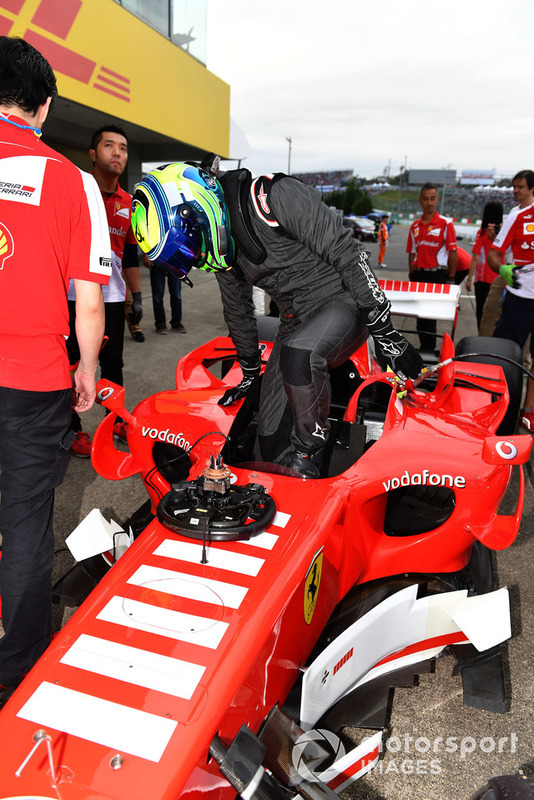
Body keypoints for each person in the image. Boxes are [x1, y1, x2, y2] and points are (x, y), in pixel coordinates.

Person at [131, 160, 423, 478]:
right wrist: (249, 371)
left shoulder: (274, 196)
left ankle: (310, 455)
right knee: (269, 438)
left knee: (300, 356)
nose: (196, 257)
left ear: (196, 209)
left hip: (345, 303)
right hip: (295, 321)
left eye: (189, 246)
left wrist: (386, 332)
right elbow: (237, 310)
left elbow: (349, 253)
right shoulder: (221, 248)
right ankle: (291, 482)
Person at [0, 36, 111, 707]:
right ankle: (17, 676)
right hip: (33, 379)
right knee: (25, 522)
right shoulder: (70, 180)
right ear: (43, 105)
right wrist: (89, 368)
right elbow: (90, 298)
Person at [67, 125, 143, 456]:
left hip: (111, 299)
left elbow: (129, 255)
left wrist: (136, 296)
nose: (117, 152)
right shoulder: (75, 190)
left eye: (123, 148)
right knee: (70, 366)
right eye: (109, 145)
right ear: (93, 153)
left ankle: (116, 423)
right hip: (72, 297)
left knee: (113, 366)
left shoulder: (129, 202)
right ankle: (71, 431)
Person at [488, 183, 534, 430]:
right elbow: (495, 253)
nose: (517, 190)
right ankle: (498, 405)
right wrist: (501, 268)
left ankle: (528, 411)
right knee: (506, 356)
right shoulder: (519, 216)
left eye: (521, 187)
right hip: (520, 297)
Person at [479, 171, 534, 337]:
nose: (516, 190)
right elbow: (499, 249)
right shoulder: (514, 213)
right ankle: (485, 351)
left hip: (525, 281)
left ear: (532, 188)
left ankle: (522, 359)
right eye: (514, 186)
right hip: (510, 273)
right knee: (489, 312)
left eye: (520, 187)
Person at [406, 183, 458, 351]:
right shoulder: (414, 226)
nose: (429, 202)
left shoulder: (445, 224)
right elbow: (412, 252)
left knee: (429, 317)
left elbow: (453, 252)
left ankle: (428, 350)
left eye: (432, 199)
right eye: (426, 199)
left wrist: (451, 279)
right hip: (419, 275)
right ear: (421, 201)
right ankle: (425, 348)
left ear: (437, 200)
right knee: (420, 317)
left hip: (437, 275)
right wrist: (412, 273)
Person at [465, 202, 503, 330]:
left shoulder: (481, 233)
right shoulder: (504, 233)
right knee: (496, 313)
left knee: (481, 311)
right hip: (499, 278)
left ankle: (482, 336)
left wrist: (469, 278)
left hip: (482, 279)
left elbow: (476, 257)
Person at [146, 256, 186, 334]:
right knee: (157, 295)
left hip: (175, 259)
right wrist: (146, 255)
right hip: (156, 257)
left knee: (176, 294)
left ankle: (176, 322)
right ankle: (160, 323)